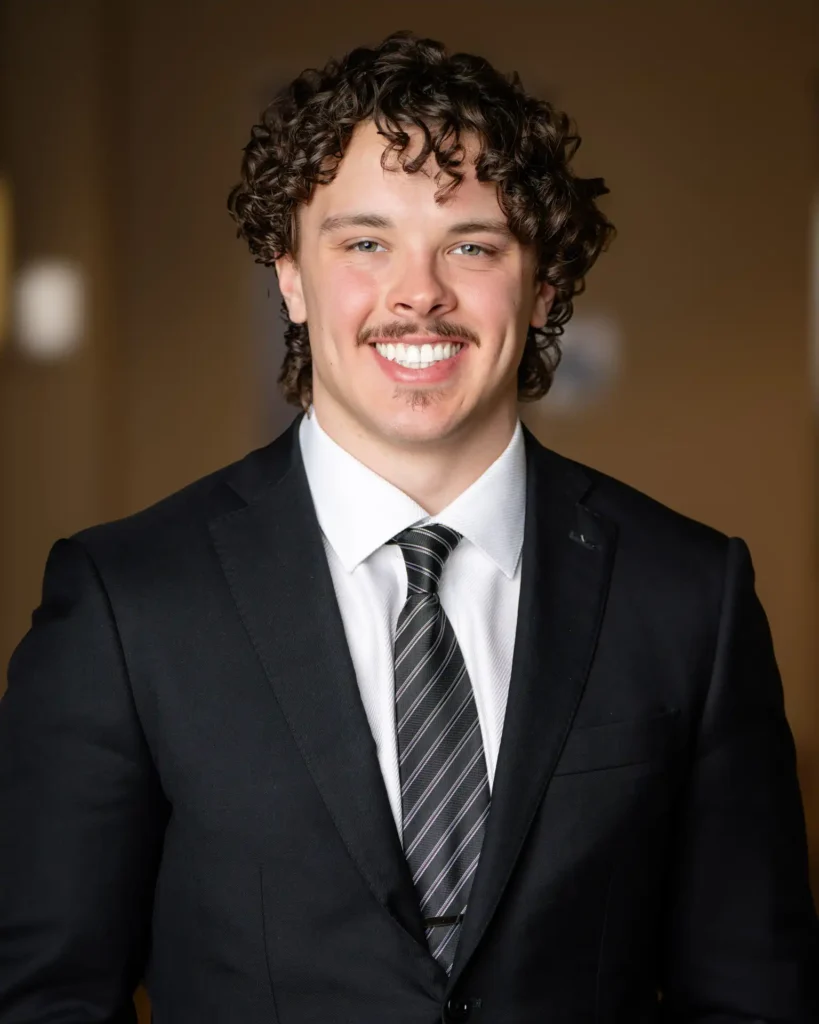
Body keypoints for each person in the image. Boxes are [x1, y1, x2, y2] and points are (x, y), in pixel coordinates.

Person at [0, 28, 817, 1024]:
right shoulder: (125, 599)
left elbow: (752, 997)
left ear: (544, 281)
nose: (418, 292)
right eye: (365, 242)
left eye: (471, 244)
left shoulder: (691, 593)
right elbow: (44, 998)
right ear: (291, 278)